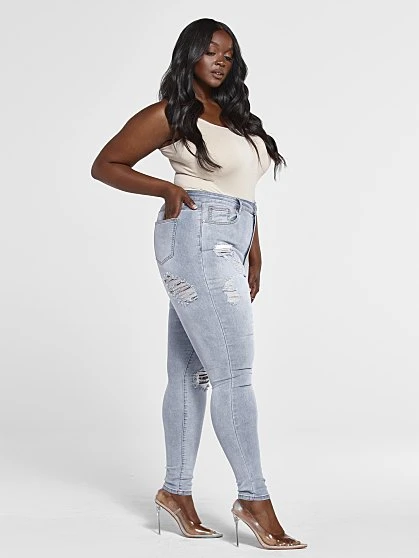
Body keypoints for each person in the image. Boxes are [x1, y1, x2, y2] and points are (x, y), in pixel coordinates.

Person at [91, 17, 307, 551]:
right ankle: (254, 499)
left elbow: (243, 190)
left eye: (228, 54)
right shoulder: (171, 114)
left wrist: (254, 248)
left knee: (191, 373)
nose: (220, 61)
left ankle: (176, 491)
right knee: (234, 372)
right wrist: (166, 189)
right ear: (189, 54)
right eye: (211, 51)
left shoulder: (235, 118)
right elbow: (106, 164)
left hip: (232, 237)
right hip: (194, 235)